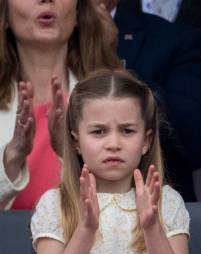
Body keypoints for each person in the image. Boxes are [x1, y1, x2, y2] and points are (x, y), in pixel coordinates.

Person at [29, 70, 201, 254]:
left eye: (127, 130)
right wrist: (85, 230)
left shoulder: (166, 203)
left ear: (146, 140)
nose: (113, 143)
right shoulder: (57, 204)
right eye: (98, 132)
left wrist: (151, 228)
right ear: (75, 141)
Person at [0, 0, 121, 210]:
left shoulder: (117, 98)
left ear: (77, 14)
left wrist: (70, 155)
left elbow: (127, 208)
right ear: (5, 15)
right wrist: (10, 159)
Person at [100, 0, 201, 202]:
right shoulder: (33, 41)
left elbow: (196, 143)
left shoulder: (174, 41)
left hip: (152, 215)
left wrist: (114, 64)